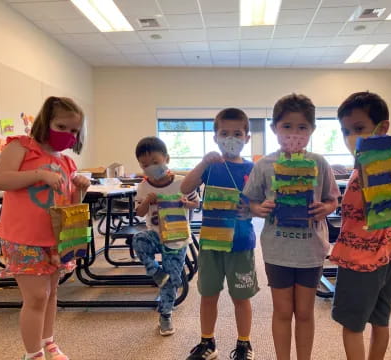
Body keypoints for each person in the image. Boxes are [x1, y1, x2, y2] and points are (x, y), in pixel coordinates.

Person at [0, 96, 91, 360]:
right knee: (36, 297)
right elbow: (0, 179)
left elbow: (68, 205)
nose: (68, 135)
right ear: (46, 122)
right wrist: (39, 175)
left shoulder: (67, 162)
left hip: (55, 239)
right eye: (62, 127)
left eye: (73, 131)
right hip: (23, 237)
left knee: (51, 293)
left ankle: (49, 342)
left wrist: (79, 189)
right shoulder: (22, 147)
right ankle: (32, 353)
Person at [243, 93, 340, 360]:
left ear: (311, 131)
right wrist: (258, 208)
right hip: (277, 250)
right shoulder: (264, 165)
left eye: (302, 127)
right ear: (275, 129)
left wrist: (326, 208)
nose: (294, 133)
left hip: (310, 251)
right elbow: (250, 200)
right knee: (283, 311)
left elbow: (333, 198)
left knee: (306, 313)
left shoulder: (319, 163)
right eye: (287, 126)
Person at [329, 91, 391, 360]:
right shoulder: (369, 168)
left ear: (382, 128)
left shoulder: (380, 170)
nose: (350, 137)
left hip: (360, 259)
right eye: (345, 131)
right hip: (386, 254)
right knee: (380, 321)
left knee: (353, 326)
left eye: (358, 129)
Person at [181, 108, 259, 360]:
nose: (231, 138)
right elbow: (185, 187)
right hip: (212, 242)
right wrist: (204, 161)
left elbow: (262, 203)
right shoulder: (211, 166)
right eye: (224, 133)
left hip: (241, 242)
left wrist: (251, 208)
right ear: (215, 137)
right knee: (208, 294)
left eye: (237, 133)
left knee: (241, 297)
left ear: (247, 138)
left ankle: (244, 344)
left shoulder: (253, 168)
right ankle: (207, 342)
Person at [132, 136, 199, 336]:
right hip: (155, 234)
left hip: (177, 239)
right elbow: (139, 213)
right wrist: (146, 202)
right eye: (144, 165)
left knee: (172, 279)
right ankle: (155, 271)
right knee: (138, 240)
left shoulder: (181, 182)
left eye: (155, 162)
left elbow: (197, 203)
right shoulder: (143, 186)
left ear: (166, 159)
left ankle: (166, 314)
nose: (150, 167)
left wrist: (186, 203)